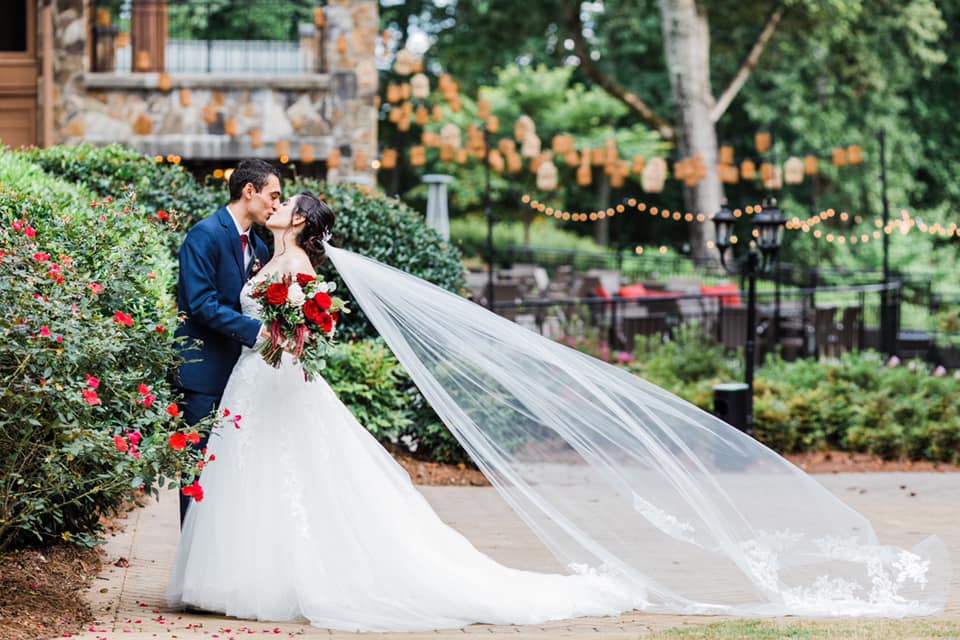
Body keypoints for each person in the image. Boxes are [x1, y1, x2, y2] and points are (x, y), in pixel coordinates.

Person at [170, 192, 946, 629]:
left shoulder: (293, 260)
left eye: (286, 204)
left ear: (298, 224)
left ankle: (280, 578)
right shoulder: (263, 255)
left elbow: (300, 327)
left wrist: (282, 332)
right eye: (274, 199)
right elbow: (285, 320)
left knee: (294, 474)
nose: (276, 205)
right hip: (261, 380)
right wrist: (278, 332)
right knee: (261, 472)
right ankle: (248, 576)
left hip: (276, 376)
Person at [173, 158, 278, 523]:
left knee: (235, 471)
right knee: (197, 469)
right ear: (249, 191)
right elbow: (200, 302)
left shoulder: (261, 250)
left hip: (243, 377)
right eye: (273, 196)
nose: (276, 205)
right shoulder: (205, 234)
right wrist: (256, 332)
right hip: (204, 374)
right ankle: (189, 558)